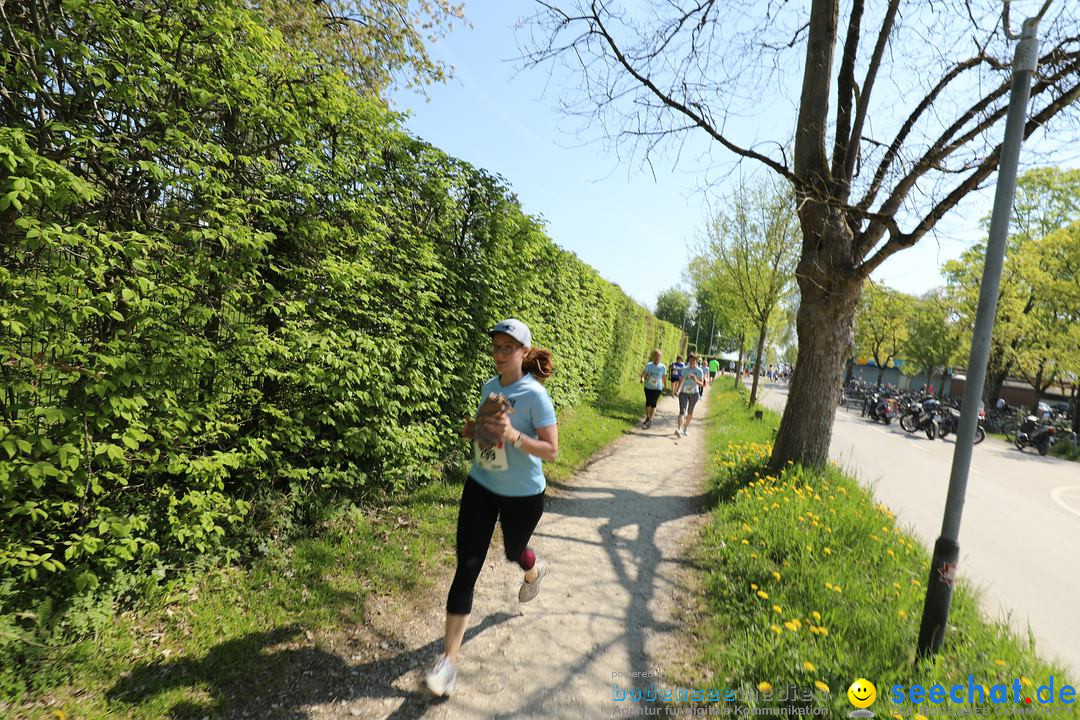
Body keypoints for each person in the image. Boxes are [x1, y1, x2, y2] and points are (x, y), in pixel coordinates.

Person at [425, 318, 558, 697]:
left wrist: (515, 435)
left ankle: (533, 567)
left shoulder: (535, 396)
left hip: (522, 495)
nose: (500, 354)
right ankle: (449, 662)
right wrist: (474, 430)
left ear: (524, 352)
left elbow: (551, 450)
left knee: (514, 551)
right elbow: (487, 434)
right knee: (467, 567)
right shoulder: (489, 387)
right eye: (496, 347)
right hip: (481, 485)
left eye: (507, 348)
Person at [675, 354, 706, 437]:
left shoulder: (699, 371)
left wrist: (695, 380)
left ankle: (685, 428)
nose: (691, 362)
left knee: (690, 411)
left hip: (694, 393)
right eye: (690, 360)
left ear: (696, 361)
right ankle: (679, 429)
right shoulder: (685, 369)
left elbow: (701, 384)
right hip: (684, 392)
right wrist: (677, 390)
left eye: (693, 360)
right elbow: (681, 380)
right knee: (682, 410)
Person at [639, 349, 667, 429]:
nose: (657, 357)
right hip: (648, 387)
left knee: (653, 403)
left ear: (660, 357)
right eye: (655, 356)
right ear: (653, 356)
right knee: (648, 402)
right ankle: (648, 417)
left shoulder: (662, 367)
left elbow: (664, 377)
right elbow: (644, 374)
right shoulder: (649, 365)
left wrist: (665, 386)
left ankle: (651, 420)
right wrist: (642, 379)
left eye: (658, 356)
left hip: (658, 388)